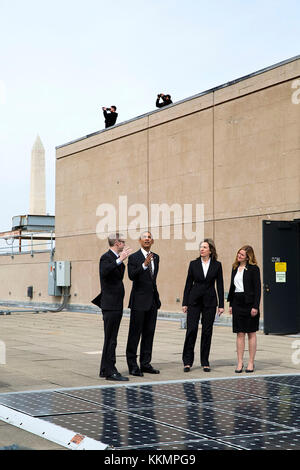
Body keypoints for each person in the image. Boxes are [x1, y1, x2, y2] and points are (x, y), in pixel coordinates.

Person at [92, 233, 132, 381]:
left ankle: (104, 368)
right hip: (110, 304)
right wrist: (119, 259)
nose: (124, 244)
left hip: (116, 303)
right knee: (111, 339)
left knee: (110, 338)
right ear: (117, 242)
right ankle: (111, 371)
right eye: (123, 242)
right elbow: (105, 271)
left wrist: (121, 260)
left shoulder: (116, 259)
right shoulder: (106, 257)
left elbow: (119, 276)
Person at [182, 239, 224, 372]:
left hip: (210, 302)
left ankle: (205, 361)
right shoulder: (193, 264)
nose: (202, 249)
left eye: (205, 247)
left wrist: (221, 304)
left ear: (210, 250)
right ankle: (187, 361)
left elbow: (220, 285)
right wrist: (185, 302)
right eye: (201, 247)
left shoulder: (217, 265)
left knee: (207, 331)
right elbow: (188, 283)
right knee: (191, 330)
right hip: (194, 301)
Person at [126, 231, 161, 376]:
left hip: (152, 302)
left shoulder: (156, 257)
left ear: (152, 241)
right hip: (139, 302)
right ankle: (133, 365)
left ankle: (145, 363)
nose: (147, 239)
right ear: (140, 241)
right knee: (135, 334)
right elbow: (131, 276)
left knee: (149, 333)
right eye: (144, 237)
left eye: (149, 237)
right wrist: (144, 265)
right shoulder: (134, 257)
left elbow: (152, 280)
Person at [227, 245, 261, 373]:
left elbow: (258, 289)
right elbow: (232, 287)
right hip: (237, 302)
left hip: (250, 304)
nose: (239, 256)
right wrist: (230, 304)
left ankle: (251, 363)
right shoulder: (235, 268)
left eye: (242, 254)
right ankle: (240, 362)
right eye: (238, 253)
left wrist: (255, 306)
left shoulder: (254, 269)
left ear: (248, 256)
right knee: (239, 333)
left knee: (251, 333)